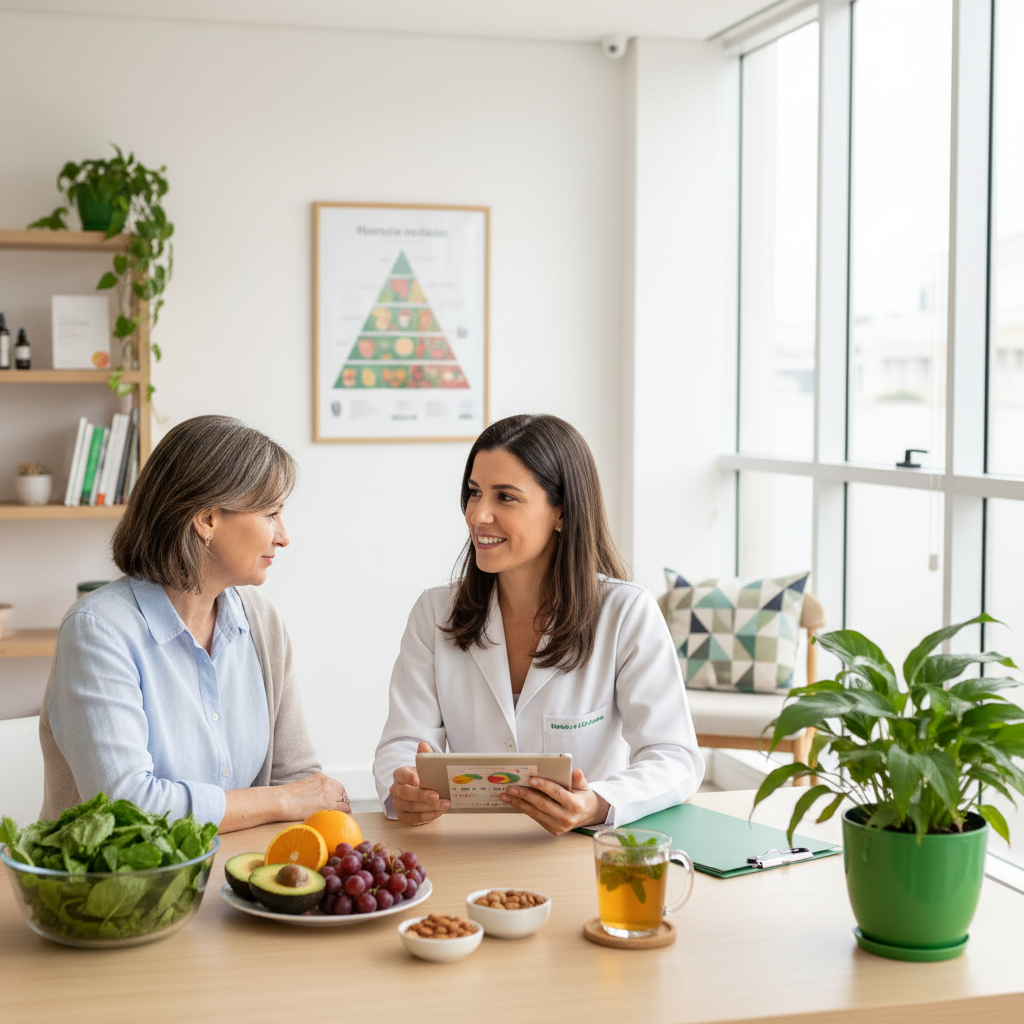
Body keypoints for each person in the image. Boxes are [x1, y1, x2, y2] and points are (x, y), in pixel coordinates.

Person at [373, 414, 703, 834]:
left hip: (582, 847)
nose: (479, 515)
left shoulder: (626, 613)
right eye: (474, 493)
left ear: (561, 512)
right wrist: (403, 785)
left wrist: (598, 802)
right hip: (469, 844)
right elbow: (402, 742)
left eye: (505, 497)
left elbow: (674, 755)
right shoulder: (434, 613)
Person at [39, 415, 349, 832]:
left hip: (238, 881)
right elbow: (127, 808)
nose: (283, 536)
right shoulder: (97, 631)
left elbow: (300, 781)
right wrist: (279, 801)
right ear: (207, 520)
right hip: (116, 890)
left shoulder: (261, 621)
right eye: (271, 514)